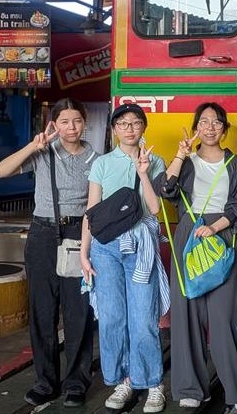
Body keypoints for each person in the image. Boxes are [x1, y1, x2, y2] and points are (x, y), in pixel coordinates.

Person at [0, 98, 97, 408]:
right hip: (42, 234)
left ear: (85, 122)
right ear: (53, 124)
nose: (71, 127)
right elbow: (0, 172)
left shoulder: (96, 158)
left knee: (79, 311)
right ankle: (45, 381)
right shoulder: (42, 153)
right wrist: (33, 146)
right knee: (42, 311)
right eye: (64, 121)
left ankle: (76, 382)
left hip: (79, 235)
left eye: (76, 120)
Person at [155, 102, 237, 411]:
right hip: (189, 232)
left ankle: (236, 390)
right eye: (204, 122)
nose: (210, 127)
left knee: (225, 315)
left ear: (224, 128)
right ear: (196, 127)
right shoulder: (186, 162)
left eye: (216, 122)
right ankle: (191, 388)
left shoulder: (235, 164)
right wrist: (180, 154)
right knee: (187, 313)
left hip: (221, 234)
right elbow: (165, 190)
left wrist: (216, 227)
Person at [80, 103, 169, 413]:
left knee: (143, 318)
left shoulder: (155, 161)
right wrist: (84, 253)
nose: (130, 128)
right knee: (112, 318)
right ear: (114, 129)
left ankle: (153, 383)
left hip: (141, 245)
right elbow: (91, 211)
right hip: (105, 248)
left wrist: (142, 173)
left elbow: (155, 209)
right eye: (123, 123)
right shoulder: (102, 163)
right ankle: (124, 380)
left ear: (144, 127)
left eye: (135, 123)